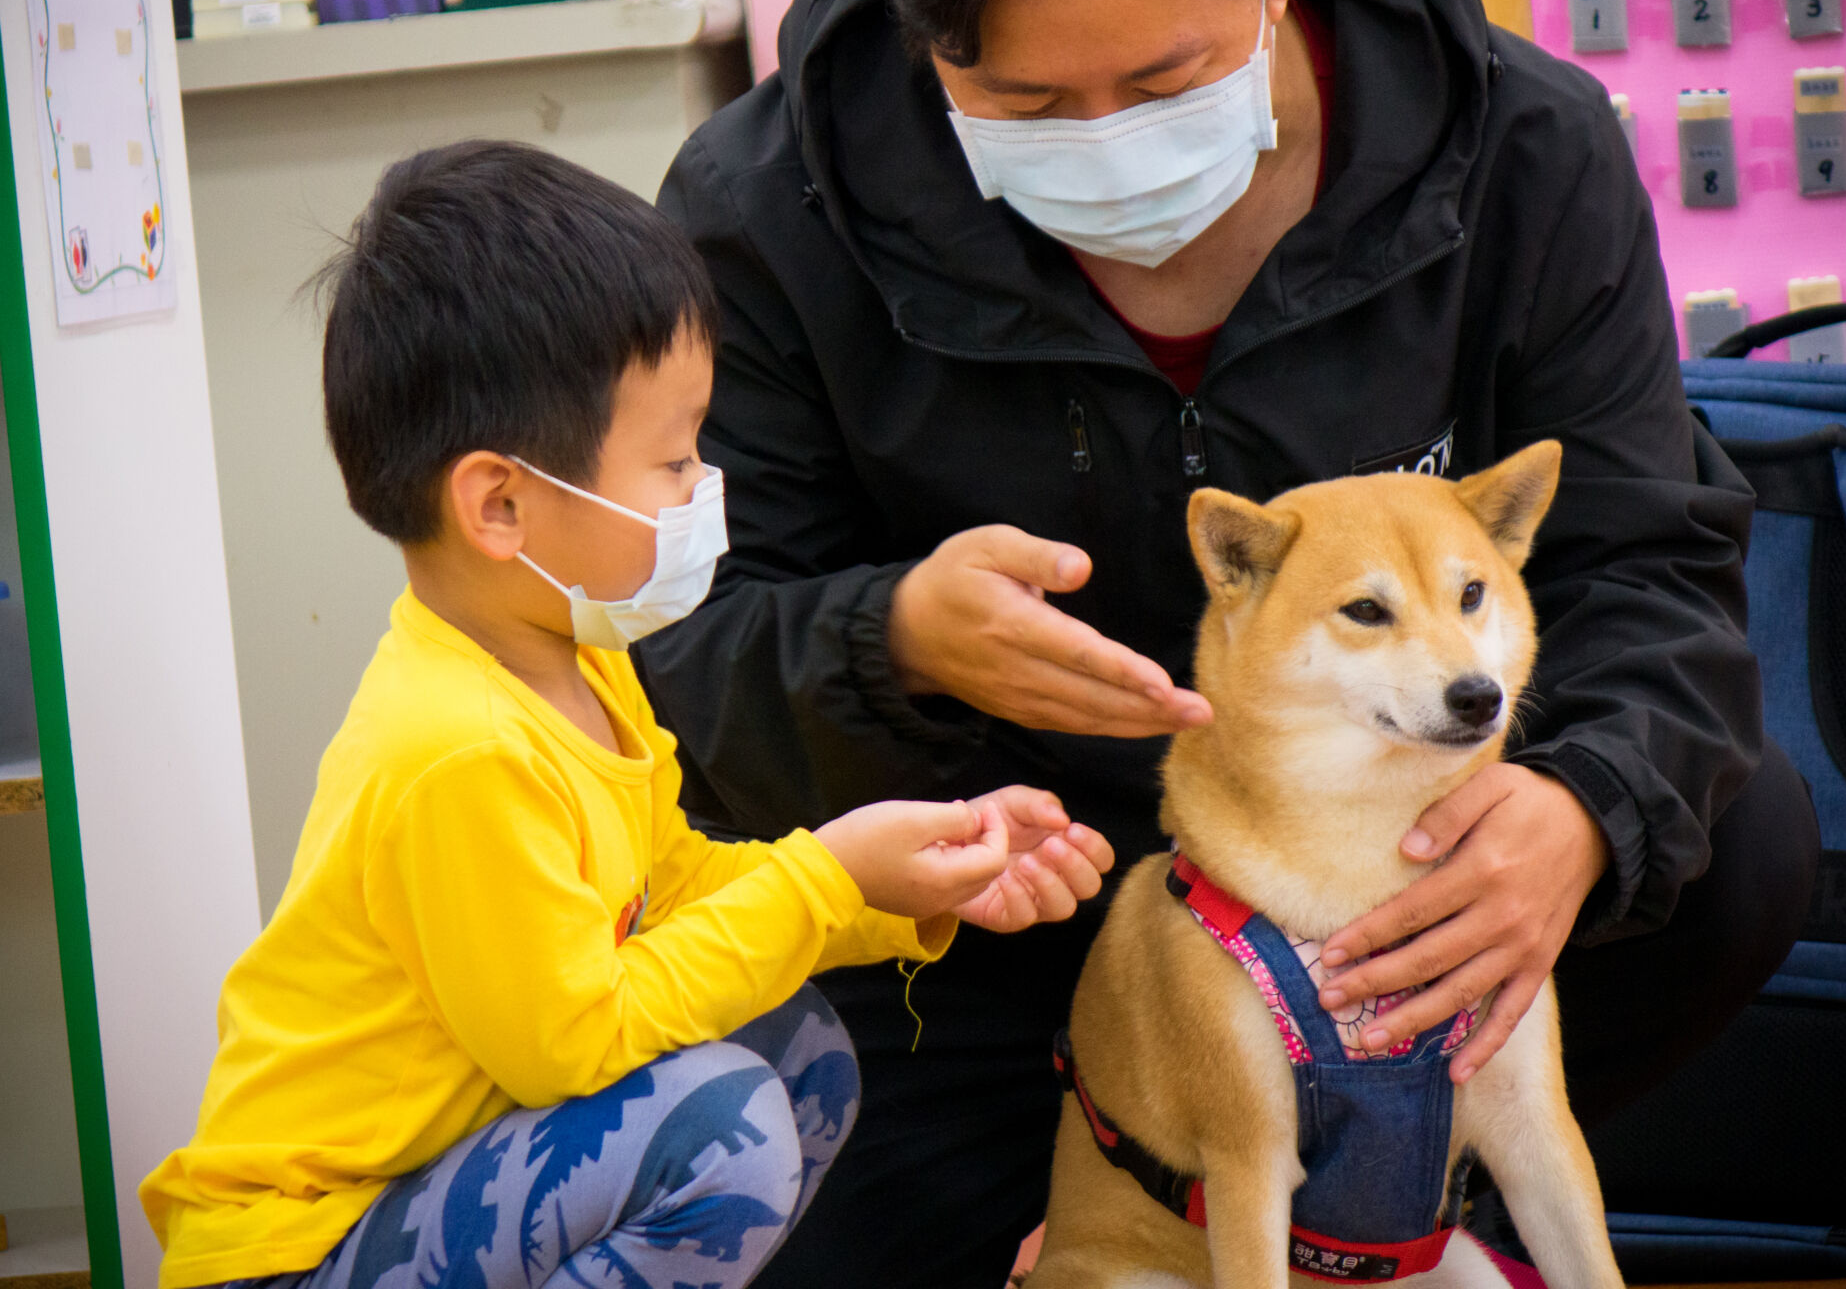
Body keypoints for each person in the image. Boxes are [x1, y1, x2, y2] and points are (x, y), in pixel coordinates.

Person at [635, 0, 1823, 1285]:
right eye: (1024, 102)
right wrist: (886, 642)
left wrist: (1582, 811)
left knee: (1735, 837)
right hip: (990, 937)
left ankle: (1404, 1196)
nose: (1105, 137)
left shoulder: (1523, 151)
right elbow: (665, 669)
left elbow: (1652, 568)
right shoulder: (763, 212)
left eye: (1162, 82)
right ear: (922, 32)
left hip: (1396, 906)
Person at [137, 142, 1114, 1289]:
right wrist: (823, 882)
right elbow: (577, 1045)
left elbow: (670, 889)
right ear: (500, 504)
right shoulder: (458, 749)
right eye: (671, 459)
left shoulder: (581, 665)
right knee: (724, 1128)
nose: (705, 490)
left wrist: (884, 884)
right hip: (300, 1251)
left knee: (797, 1049)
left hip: (440, 1191)